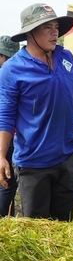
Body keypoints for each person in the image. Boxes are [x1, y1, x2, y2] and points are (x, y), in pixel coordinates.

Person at [0, 3, 73, 221]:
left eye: (56, 27)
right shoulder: (12, 70)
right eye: (47, 27)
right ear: (30, 33)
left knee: (63, 224)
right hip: (33, 162)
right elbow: (5, 116)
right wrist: (1, 156)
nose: (55, 33)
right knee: (36, 229)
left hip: (67, 158)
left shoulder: (66, 58)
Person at [0, 36, 19, 216]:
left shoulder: (11, 74)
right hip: (6, 141)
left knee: (7, 185)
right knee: (5, 185)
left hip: (12, 139)